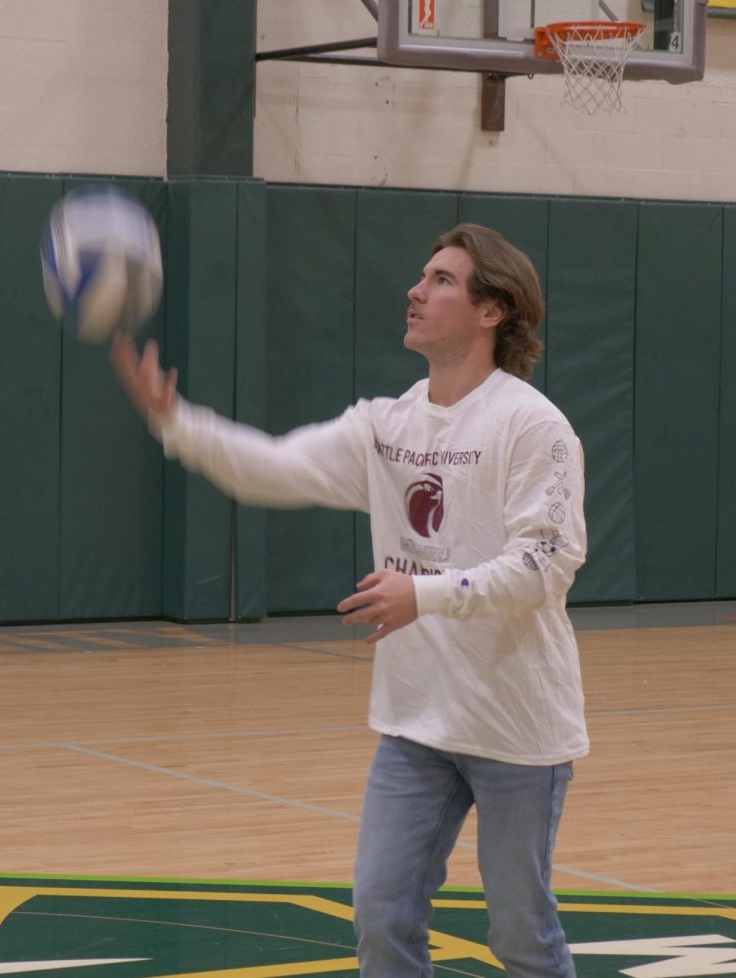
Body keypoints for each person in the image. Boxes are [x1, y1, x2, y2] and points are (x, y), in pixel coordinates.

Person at [110, 223, 588, 978]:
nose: (415, 289)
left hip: (516, 728)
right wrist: (178, 424)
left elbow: (543, 565)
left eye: (440, 280)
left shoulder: (532, 425)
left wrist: (423, 594)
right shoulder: (385, 425)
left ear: (492, 310)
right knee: (379, 915)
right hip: (415, 725)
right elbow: (272, 467)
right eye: (421, 275)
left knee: (521, 938)